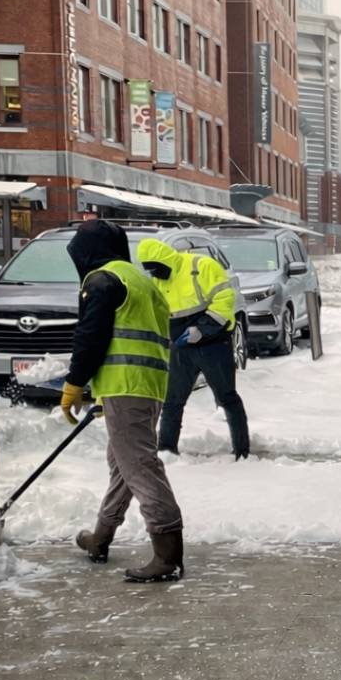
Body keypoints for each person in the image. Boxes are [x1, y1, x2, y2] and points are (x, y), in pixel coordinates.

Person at [60, 218, 185, 581]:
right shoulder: (140, 280)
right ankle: (101, 537)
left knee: (140, 467)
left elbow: (91, 335)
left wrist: (74, 383)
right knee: (123, 466)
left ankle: (168, 554)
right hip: (146, 386)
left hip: (125, 385)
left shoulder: (102, 281)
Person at [136, 239, 250, 461]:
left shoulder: (202, 267)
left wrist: (202, 329)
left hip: (214, 344)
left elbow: (225, 300)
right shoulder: (158, 280)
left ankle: (242, 451)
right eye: (150, 270)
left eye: (156, 268)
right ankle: (166, 450)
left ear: (165, 260)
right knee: (172, 400)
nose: (155, 273)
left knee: (227, 397)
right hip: (181, 347)